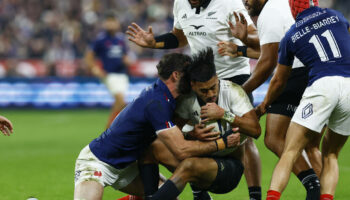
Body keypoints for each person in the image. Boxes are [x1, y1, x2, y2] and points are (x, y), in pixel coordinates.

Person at [126, 0, 263, 198]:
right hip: (199, 78)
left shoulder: (228, 3)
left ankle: (255, 195)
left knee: (243, 137)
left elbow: (256, 38)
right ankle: (199, 191)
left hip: (232, 75)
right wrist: (154, 43)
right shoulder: (181, 3)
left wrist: (244, 38)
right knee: (184, 132)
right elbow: (179, 38)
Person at [74, 53, 241, 200]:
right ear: (176, 75)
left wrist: (191, 132)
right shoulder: (157, 102)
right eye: (188, 75)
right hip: (98, 162)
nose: (192, 81)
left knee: (168, 196)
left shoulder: (166, 96)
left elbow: (168, 135)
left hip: (129, 166)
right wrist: (221, 143)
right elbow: (181, 150)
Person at [218, 0, 322, 198]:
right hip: (319, 73)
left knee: (274, 137)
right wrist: (242, 45)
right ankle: (323, 193)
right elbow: (272, 49)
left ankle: (313, 186)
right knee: (311, 145)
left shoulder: (270, 11)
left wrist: (239, 92)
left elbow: (268, 62)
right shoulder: (283, 6)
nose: (245, 2)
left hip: (296, 73)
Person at [254, 0, 350, 199]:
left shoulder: (291, 35)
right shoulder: (336, 16)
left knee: (290, 151)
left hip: (322, 85)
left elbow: (279, 80)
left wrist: (264, 105)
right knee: (331, 154)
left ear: (292, 8)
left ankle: (273, 197)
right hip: (348, 85)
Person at [144, 47, 261, 200]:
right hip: (202, 159)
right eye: (204, 91)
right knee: (152, 147)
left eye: (213, 87)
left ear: (217, 77)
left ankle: (195, 192)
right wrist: (191, 133)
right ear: (193, 85)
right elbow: (174, 131)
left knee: (188, 166)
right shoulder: (187, 100)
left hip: (230, 168)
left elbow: (256, 130)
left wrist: (224, 114)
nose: (211, 94)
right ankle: (154, 196)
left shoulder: (233, 91)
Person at [85, 11, 133, 128]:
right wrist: (95, 68)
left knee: (120, 104)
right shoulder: (100, 39)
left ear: (117, 23)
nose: (111, 24)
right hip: (110, 75)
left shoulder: (121, 39)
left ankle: (111, 129)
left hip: (122, 74)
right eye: (109, 22)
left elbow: (125, 55)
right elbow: (89, 56)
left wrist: (127, 60)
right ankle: (109, 129)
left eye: (113, 21)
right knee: (120, 101)